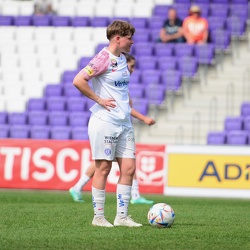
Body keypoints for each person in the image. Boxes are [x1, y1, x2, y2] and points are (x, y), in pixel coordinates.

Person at [73, 20, 142, 227]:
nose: (132, 41)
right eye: (129, 37)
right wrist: (99, 100)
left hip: (123, 122)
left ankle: (121, 217)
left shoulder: (122, 59)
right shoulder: (103, 58)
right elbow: (78, 80)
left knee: (128, 168)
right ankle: (98, 217)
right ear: (118, 38)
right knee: (103, 168)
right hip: (105, 121)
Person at [69, 53, 155, 205]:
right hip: (110, 124)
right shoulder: (113, 79)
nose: (133, 70)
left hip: (120, 125)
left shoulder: (122, 84)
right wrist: (144, 118)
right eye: (132, 66)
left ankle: (78, 187)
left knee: (122, 163)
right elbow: (126, 108)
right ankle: (133, 196)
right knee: (109, 163)